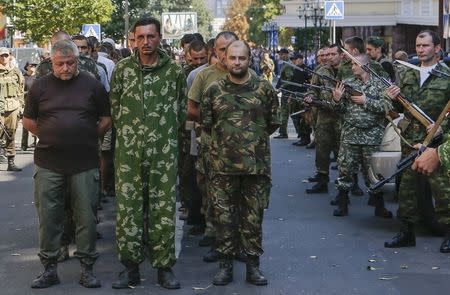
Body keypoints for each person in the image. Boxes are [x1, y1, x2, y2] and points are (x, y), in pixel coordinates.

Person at [23, 39, 111, 288]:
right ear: (52, 62)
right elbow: (28, 121)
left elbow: (106, 118)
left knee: (86, 217)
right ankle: (49, 268)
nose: (65, 68)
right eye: (60, 64)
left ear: (77, 61)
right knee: (49, 217)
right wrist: (50, 134)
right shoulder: (39, 87)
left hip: (84, 163)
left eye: (70, 63)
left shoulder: (92, 85)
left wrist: (87, 135)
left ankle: (87, 269)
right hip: (49, 163)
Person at [109, 16, 185, 289]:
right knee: (128, 210)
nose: (145, 42)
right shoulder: (122, 70)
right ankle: (130, 267)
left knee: (163, 210)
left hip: (163, 155)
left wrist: (163, 139)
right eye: (140, 37)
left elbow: (182, 109)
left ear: (159, 37)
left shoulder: (174, 71)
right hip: (129, 154)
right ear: (133, 38)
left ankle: (164, 267)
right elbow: (115, 108)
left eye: (150, 36)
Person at [201, 40, 280, 286]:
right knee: (224, 219)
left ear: (249, 60)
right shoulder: (214, 90)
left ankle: (253, 267)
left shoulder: (263, 89)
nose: (236, 62)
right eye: (232, 58)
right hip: (222, 168)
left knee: (253, 219)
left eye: (241, 58)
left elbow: (273, 123)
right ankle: (225, 267)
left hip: (255, 168)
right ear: (225, 59)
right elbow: (207, 123)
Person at [384, 30, 450, 252]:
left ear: (437, 48)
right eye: (418, 45)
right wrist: (392, 98)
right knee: (407, 190)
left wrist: (443, 127)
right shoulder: (407, 73)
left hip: (437, 142)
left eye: (426, 46)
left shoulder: (446, 76)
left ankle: (449, 233)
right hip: (411, 140)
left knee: (443, 190)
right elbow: (396, 110)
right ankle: (406, 232)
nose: (420, 50)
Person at [187, 31, 239, 262]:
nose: (226, 53)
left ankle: (239, 244)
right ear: (214, 52)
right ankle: (218, 240)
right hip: (211, 146)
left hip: (241, 150)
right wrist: (214, 125)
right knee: (213, 195)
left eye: (231, 47)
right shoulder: (203, 76)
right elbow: (191, 109)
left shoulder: (251, 76)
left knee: (240, 198)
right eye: (221, 49)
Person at [331, 54, 393, 218]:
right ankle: (343, 204)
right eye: (351, 64)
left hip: (372, 135)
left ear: (366, 66)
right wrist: (336, 100)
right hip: (351, 134)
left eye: (355, 64)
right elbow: (340, 110)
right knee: (345, 169)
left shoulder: (380, 84)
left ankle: (379, 206)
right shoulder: (348, 83)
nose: (352, 67)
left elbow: (387, 107)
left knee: (373, 171)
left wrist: (366, 101)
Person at [304, 45, 342, 194]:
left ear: (340, 55)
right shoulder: (320, 71)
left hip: (343, 118)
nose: (329, 57)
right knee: (322, 150)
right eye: (327, 55)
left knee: (343, 152)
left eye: (333, 54)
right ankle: (322, 179)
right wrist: (310, 97)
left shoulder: (348, 71)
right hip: (324, 117)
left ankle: (349, 183)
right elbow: (312, 89)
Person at [0, 47, 24, 171]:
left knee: (11, 134)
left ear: (9, 56)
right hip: (0, 108)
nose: (3, 58)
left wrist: (20, 105)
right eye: (1, 56)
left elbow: (21, 89)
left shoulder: (16, 72)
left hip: (13, 107)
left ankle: (11, 161)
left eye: (6, 55)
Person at [21, 61, 37, 151]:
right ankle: (24, 144)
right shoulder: (23, 77)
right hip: (26, 103)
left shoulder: (38, 77)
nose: (33, 67)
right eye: (31, 65)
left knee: (37, 124)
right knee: (25, 125)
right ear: (27, 67)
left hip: (37, 104)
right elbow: (20, 91)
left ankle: (36, 143)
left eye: (35, 65)